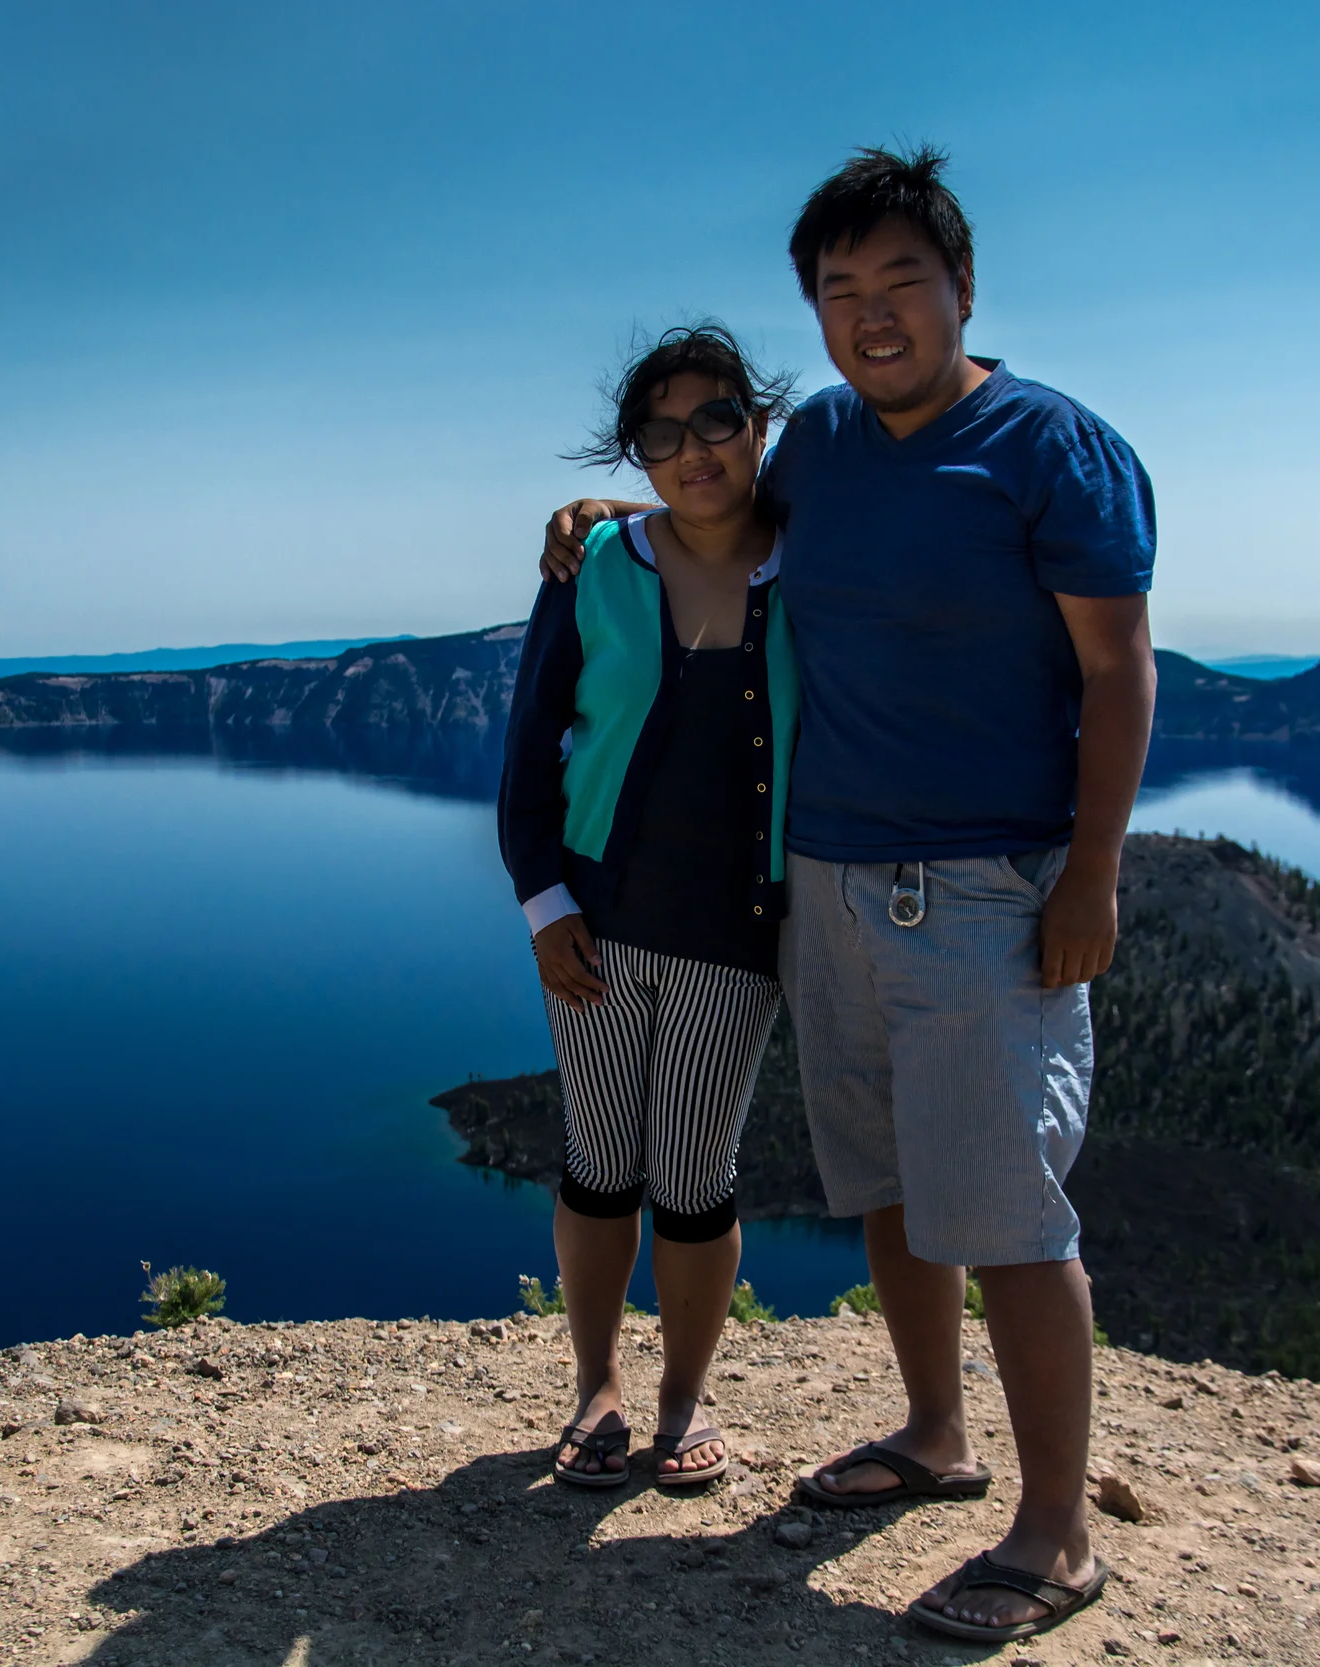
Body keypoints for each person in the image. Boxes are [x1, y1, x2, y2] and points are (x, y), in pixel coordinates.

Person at [540, 148, 1157, 1642]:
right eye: (840, 290)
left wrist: (1092, 872)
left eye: (901, 281)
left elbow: (1117, 668)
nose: (873, 314)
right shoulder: (814, 441)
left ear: (963, 287)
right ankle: (935, 1433)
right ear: (813, 313)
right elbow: (709, 518)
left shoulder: (1051, 446)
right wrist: (588, 527)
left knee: (1011, 1215)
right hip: (824, 884)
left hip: (986, 886)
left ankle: (1056, 1530)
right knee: (888, 1190)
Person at [498, 323, 800, 1490]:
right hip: (596, 917)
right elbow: (527, 753)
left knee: (694, 1173)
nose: (695, 449)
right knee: (597, 1161)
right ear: (637, 454)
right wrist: (543, 903)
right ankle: (596, 1386)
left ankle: (683, 1395)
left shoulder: (811, 561)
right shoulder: (595, 568)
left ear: (758, 423)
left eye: (718, 418)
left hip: (738, 928)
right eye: (663, 433)